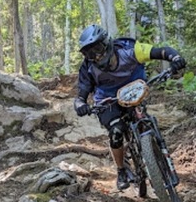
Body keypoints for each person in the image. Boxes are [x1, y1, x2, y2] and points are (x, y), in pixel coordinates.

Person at [74, 24, 186, 191]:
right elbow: (81, 95)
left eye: (97, 48)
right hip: (108, 99)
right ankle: (121, 171)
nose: (96, 56)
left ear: (106, 43)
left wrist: (175, 59)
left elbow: (161, 51)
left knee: (144, 118)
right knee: (116, 131)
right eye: (89, 53)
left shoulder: (130, 49)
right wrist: (81, 105)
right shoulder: (88, 68)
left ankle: (156, 153)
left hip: (135, 90)